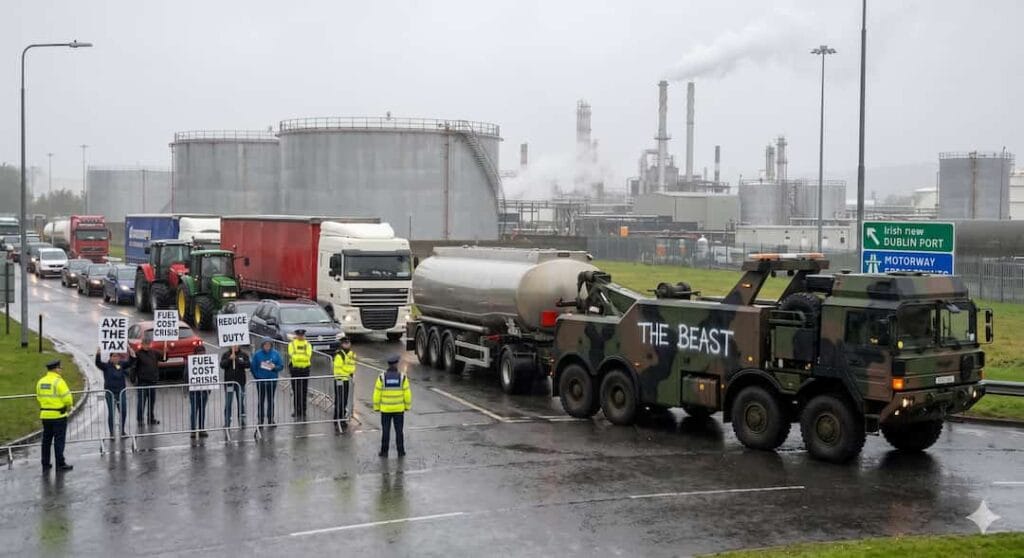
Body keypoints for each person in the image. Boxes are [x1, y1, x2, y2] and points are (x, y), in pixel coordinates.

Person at [37, 360, 74, 472]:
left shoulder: (41, 381)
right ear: (55, 369)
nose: (61, 370)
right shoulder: (59, 382)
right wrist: (69, 404)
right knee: (59, 441)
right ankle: (60, 463)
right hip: (58, 416)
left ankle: (45, 462)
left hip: (45, 415)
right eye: (60, 368)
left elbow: (38, 397)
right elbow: (67, 399)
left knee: (46, 441)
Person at [373, 355, 411, 457]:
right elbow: (407, 394)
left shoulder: (381, 377)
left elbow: (377, 393)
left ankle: (384, 452)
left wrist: (376, 407)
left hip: (385, 410)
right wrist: (407, 406)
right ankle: (401, 451)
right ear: (396, 364)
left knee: (385, 431)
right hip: (399, 410)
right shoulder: (402, 377)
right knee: (399, 431)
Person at [95, 349, 131, 437]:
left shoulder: (121, 365)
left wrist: (131, 352)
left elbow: (131, 362)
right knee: (111, 413)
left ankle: (122, 430)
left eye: (117, 356)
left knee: (123, 411)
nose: (116, 358)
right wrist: (98, 354)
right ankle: (112, 432)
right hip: (110, 393)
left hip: (121, 392)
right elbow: (98, 363)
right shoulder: (106, 366)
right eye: (114, 356)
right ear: (110, 358)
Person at [133, 339, 166, 425]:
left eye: (148, 344)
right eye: (145, 344)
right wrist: (134, 379)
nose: (147, 346)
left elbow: (163, 358)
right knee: (142, 402)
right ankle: (140, 419)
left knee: (151, 402)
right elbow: (134, 367)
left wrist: (166, 352)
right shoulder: (138, 354)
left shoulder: (154, 352)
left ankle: (151, 418)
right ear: (142, 344)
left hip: (152, 381)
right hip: (142, 382)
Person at [251, 339, 284, 425]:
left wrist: (274, 367)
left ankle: (271, 419)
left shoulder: (275, 354)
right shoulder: (257, 354)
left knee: (271, 400)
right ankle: (260, 419)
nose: (267, 346)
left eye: (269, 345)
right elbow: (253, 367)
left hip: (272, 381)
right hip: (261, 381)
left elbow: (281, 366)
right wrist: (257, 377)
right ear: (262, 345)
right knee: (261, 400)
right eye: (265, 345)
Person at [220, 345, 250, 428]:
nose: (235, 346)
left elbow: (248, 364)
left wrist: (237, 360)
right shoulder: (226, 354)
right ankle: (227, 421)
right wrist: (229, 359)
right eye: (234, 345)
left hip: (240, 383)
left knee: (240, 402)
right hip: (229, 383)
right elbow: (222, 365)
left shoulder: (243, 354)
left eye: (237, 345)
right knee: (228, 403)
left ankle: (241, 420)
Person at [287, 329, 313, 420]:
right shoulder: (292, 344)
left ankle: (303, 411)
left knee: (304, 391)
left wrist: (299, 358)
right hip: (295, 370)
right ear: (296, 335)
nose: (301, 336)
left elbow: (308, 355)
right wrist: (301, 358)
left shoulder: (307, 344)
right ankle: (296, 410)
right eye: (299, 335)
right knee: (296, 391)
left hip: (305, 370)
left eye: (302, 335)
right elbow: (292, 355)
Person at [332, 336, 356, 428]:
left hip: (346, 380)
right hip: (339, 380)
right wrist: (348, 372)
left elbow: (353, 367)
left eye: (348, 343)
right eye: (345, 343)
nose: (347, 344)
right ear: (341, 344)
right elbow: (338, 370)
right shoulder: (339, 355)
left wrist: (348, 372)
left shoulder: (352, 354)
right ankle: (338, 418)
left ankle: (342, 418)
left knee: (344, 400)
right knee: (339, 400)